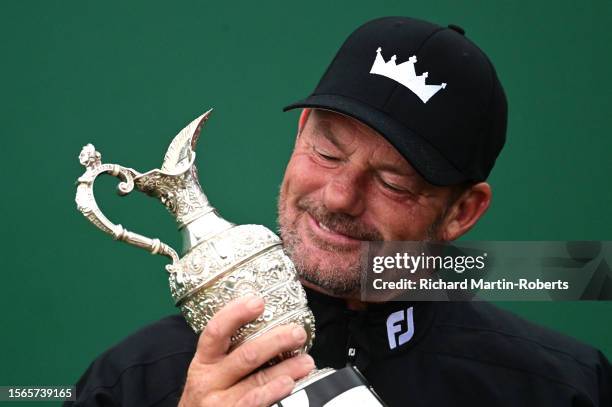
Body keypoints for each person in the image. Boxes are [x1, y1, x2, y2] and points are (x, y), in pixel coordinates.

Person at [66, 16, 612, 406]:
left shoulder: (563, 388)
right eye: (327, 152)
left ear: (462, 213)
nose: (338, 198)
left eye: (394, 182)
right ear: (300, 135)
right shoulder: (130, 382)